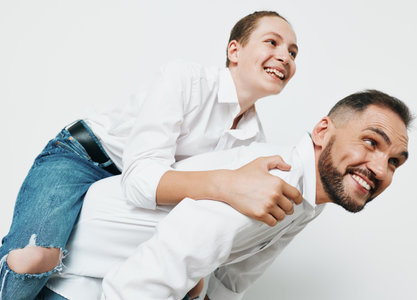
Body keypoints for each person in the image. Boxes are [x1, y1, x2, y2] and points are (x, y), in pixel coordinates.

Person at [0, 11, 302, 300]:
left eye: (293, 53)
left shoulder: (254, 143)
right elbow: (141, 179)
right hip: (83, 158)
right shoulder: (185, 78)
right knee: (34, 258)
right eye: (272, 42)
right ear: (234, 51)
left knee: (186, 286)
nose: (284, 57)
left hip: (131, 202)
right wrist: (228, 184)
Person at [43, 90, 413, 300]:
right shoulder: (268, 178)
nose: (380, 169)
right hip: (66, 277)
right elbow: (139, 284)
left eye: (395, 161)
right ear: (321, 131)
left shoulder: (311, 200)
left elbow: (230, 281)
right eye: (370, 142)